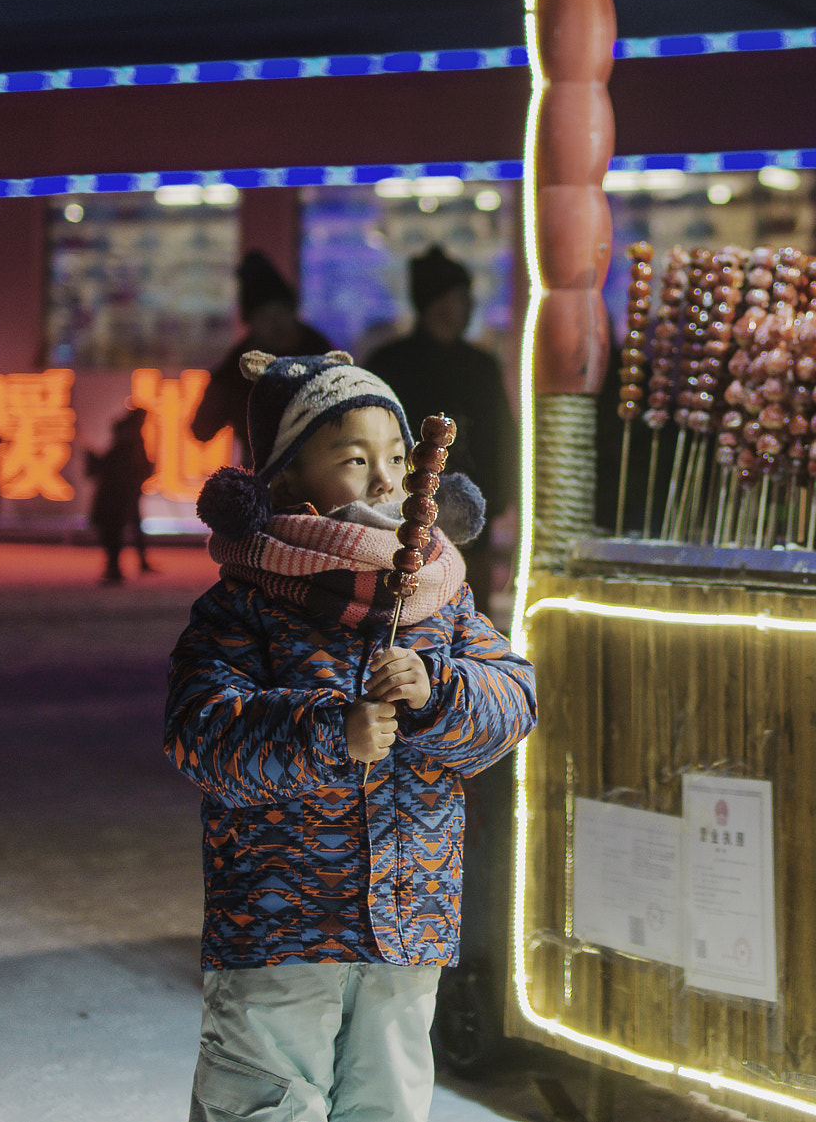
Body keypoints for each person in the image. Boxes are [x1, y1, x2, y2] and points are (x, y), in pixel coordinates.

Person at [167, 350, 535, 1122]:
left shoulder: (443, 594)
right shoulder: (248, 599)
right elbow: (203, 732)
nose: (384, 480)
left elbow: (511, 703)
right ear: (288, 477)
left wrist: (438, 694)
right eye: (354, 458)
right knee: (265, 1099)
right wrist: (332, 733)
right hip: (279, 924)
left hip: (409, 915)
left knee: (389, 1102)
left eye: (397, 458)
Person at [363, 247, 518, 610]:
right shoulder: (392, 364)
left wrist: (502, 497)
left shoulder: (482, 366)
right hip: (400, 516)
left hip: (472, 518)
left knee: (469, 616)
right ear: (437, 303)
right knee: (405, 609)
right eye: (462, 297)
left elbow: (502, 439)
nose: (470, 306)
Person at [192, 249, 334, 466]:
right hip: (262, 480)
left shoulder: (322, 355)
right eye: (265, 316)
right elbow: (201, 430)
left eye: (280, 312)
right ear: (251, 323)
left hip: (320, 473)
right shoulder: (236, 369)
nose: (275, 323)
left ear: (292, 311)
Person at [85, 406, 156, 584]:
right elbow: (112, 466)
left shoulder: (130, 440)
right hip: (119, 494)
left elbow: (107, 466)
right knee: (116, 530)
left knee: (115, 530)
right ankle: (115, 566)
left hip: (120, 494)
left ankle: (115, 567)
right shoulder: (129, 441)